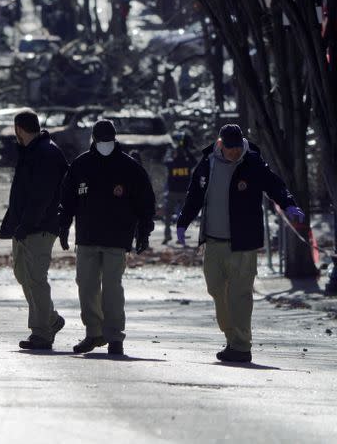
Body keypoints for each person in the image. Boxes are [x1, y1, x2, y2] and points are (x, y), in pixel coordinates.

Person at [176, 124, 304, 363]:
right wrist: (183, 222)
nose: (235, 153)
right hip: (213, 242)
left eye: (238, 148)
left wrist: (288, 204)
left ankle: (241, 346)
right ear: (220, 144)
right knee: (216, 289)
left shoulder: (253, 163)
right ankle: (232, 336)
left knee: (240, 295)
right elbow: (194, 195)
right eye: (230, 148)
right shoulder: (207, 164)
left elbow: (274, 185)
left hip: (243, 242)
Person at [58, 119, 155, 355]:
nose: (105, 145)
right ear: (93, 140)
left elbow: (145, 202)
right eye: (101, 141)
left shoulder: (129, 167)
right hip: (88, 237)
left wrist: (144, 230)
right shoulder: (81, 165)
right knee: (86, 286)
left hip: (117, 237)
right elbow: (67, 200)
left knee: (112, 289)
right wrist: (63, 226)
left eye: (108, 141)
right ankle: (94, 333)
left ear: (115, 139)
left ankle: (114, 336)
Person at [0, 110, 68, 351]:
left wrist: (27, 224)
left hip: (40, 227)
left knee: (36, 279)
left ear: (18, 128)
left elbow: (43, 196)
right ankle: (50, 319)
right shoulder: (31, 152)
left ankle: (41, 334)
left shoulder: (46, 153)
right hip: (24, 226)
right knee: (22, 275)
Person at [163, 131, 197, 244]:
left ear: (175, 154)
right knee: (182, 216)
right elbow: (195, 161)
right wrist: (186, 150)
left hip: (172, 192)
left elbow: (165, 160)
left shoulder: (171, 163)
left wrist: (170, 150)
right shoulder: (187, 164)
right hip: (184, 193)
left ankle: (167, 235)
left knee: (168, 215)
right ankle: (180, 237)